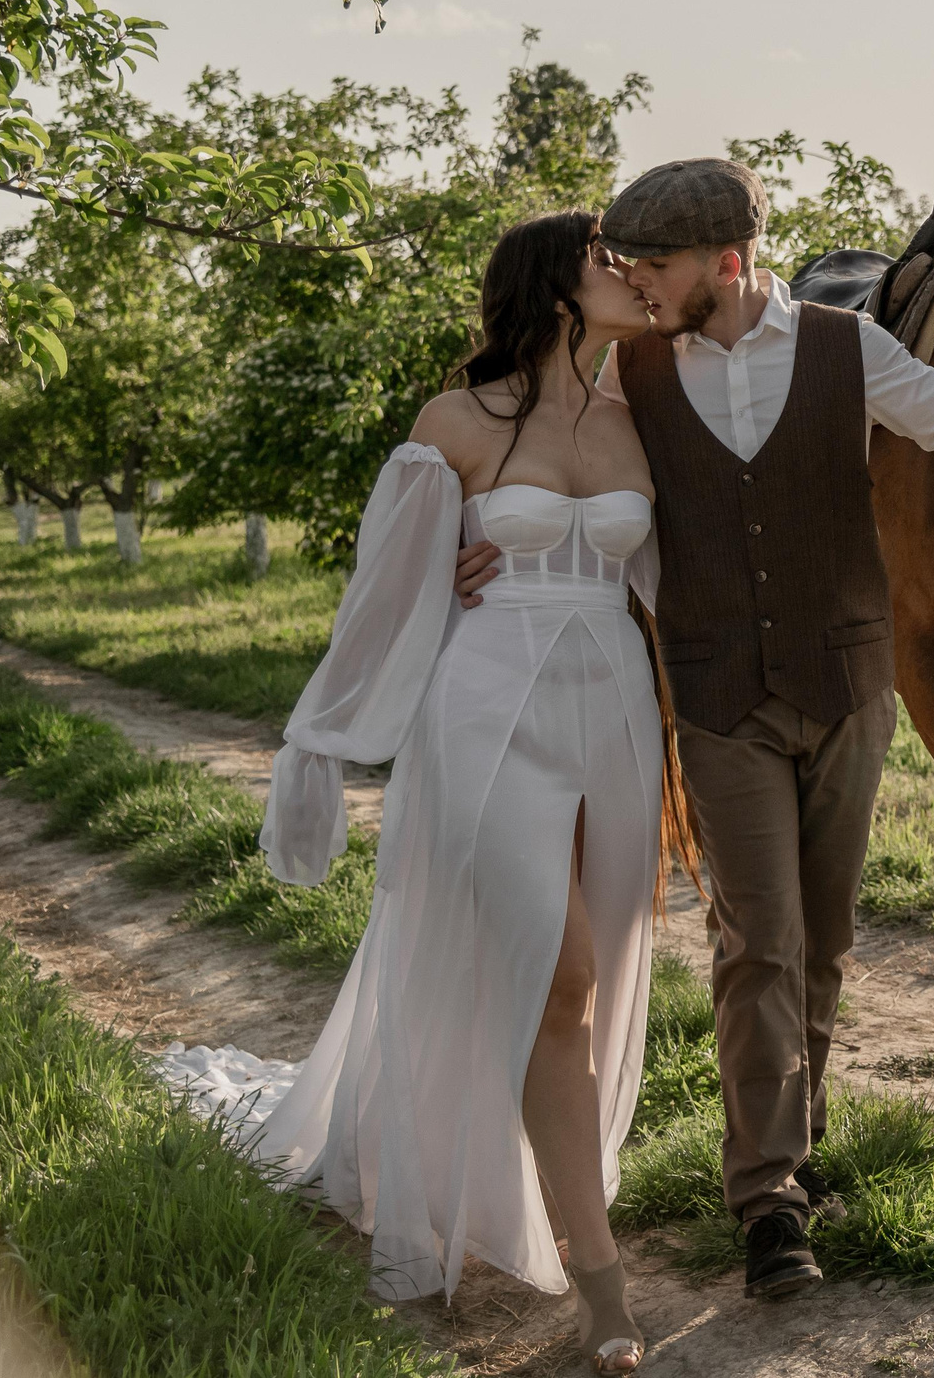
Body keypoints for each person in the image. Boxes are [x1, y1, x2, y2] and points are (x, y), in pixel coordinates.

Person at [454, 157, 934, 1301]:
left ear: (727, 261)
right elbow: (547, 454)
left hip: (849, 685)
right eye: (632, 266)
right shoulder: (632, 376)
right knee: (756, 939)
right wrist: (503, 548)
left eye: (657, 266)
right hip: (716, 697)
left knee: (824, 938)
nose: (639, 283)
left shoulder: (846, 349)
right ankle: (767, 1196)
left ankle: (794, 1148)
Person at [162, 211, 681, 1374]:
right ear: (555, 284)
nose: (635, 274)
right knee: (560, 977)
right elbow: (383, 603)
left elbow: (676, 572)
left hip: (616, 718)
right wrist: (323, 741)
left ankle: (498, 1161)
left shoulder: (644, 413)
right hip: (488, 711)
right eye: (611, 258)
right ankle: (599, 1281)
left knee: (584, 978)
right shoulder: (453, 424)